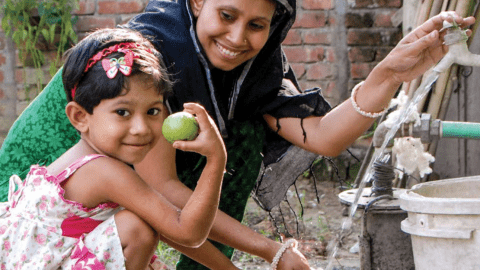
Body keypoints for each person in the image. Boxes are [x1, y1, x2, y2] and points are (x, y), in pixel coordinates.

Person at [0, 0, 474, 268]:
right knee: (153, 217)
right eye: (226, 15)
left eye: (256, 25)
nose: (238, 37)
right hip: (37, 215)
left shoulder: (254, 69)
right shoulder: (153, 62)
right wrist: (270, 252)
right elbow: (166, 199)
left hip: (112, 191)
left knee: (240, 127)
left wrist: (389, 74)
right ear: (199, 1)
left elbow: (324, 137)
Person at [0, 27, 232, 270]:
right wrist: (216, 159)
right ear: (80, 116)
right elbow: (188, 232)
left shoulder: (86, 157)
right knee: (137, 230)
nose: (141, 128)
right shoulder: (103, 170)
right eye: (122, 112)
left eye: (152, 111)